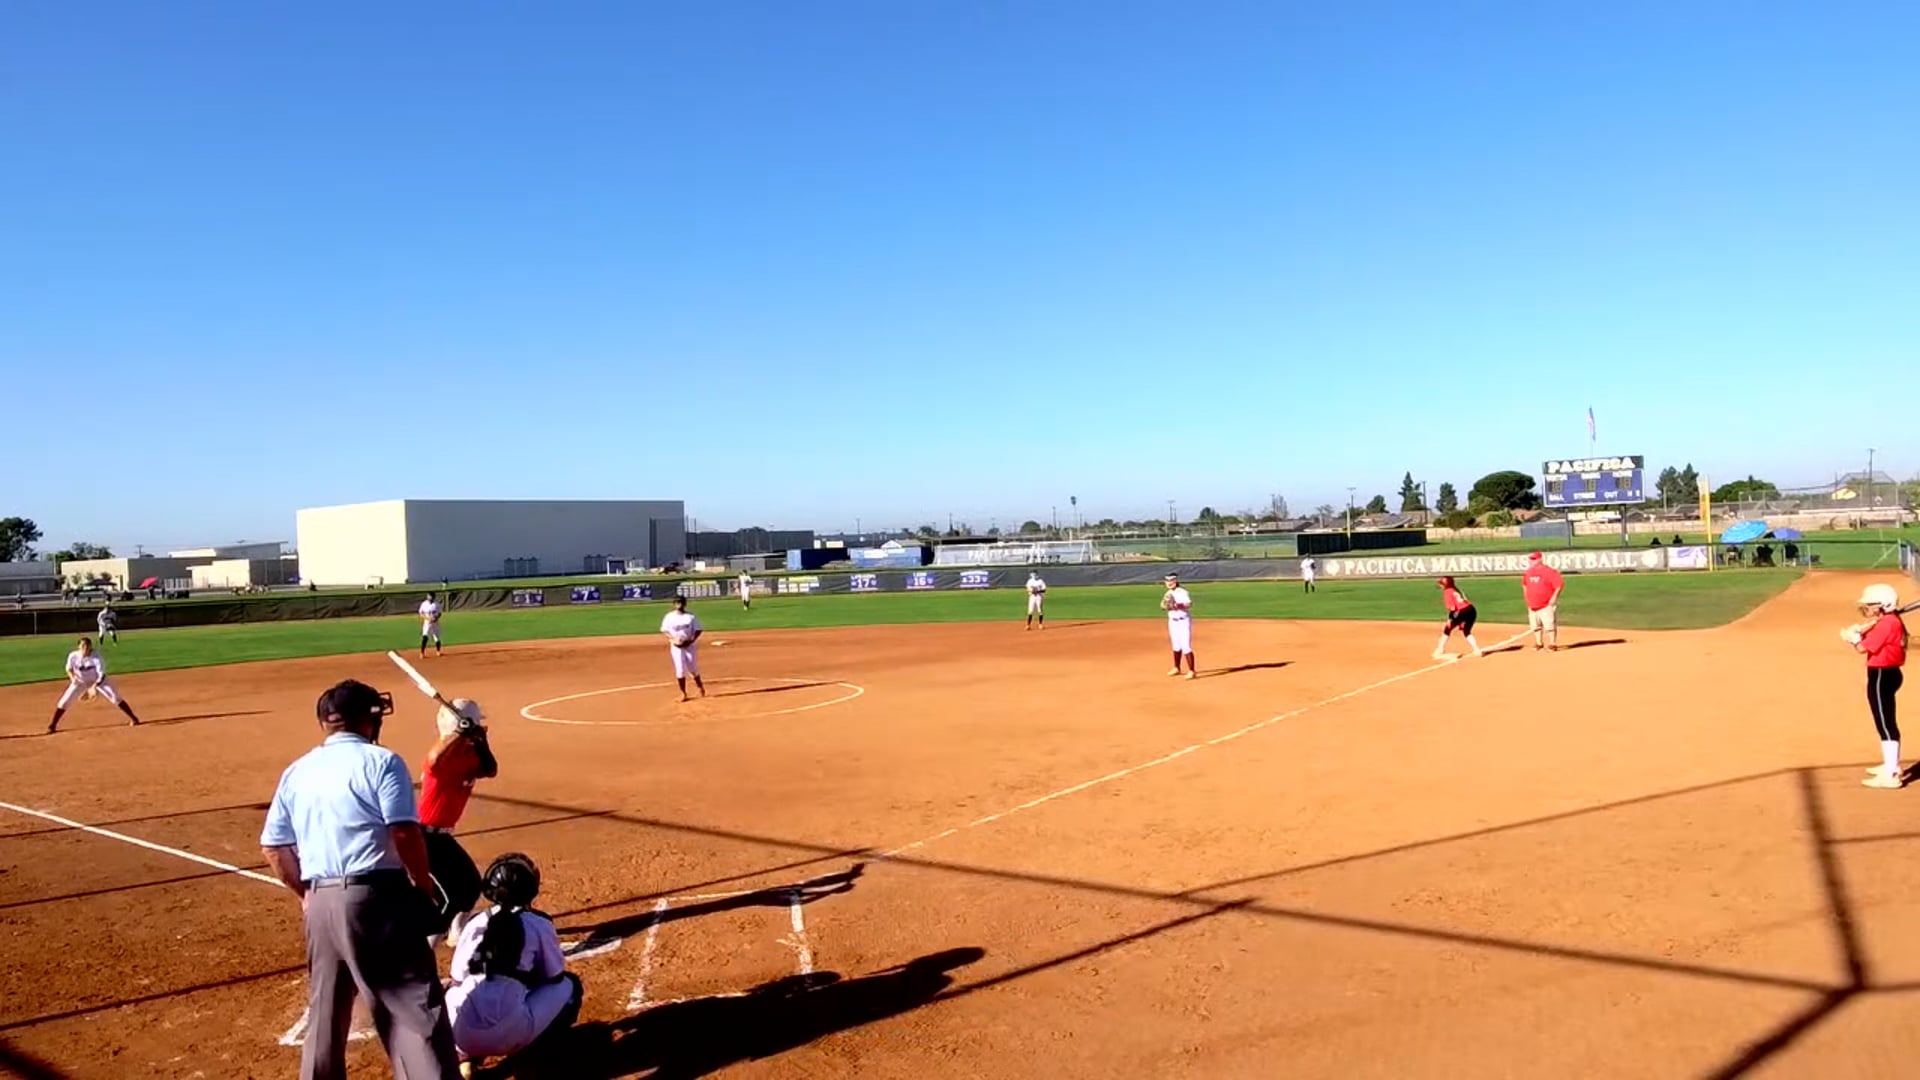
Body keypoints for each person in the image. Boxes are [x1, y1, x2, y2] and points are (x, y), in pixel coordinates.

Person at [259, 679, 461, 1080]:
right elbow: (403, 831)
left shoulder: (297, 770)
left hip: (320, 905)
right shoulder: (381, 762)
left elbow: (274, 847)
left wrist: (307, 896)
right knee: (411, 1008)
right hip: (378, 898)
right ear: (369, 720)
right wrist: (421, 884)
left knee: (325, 1012)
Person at [446, 853, 583, 1077]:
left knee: (454, 991)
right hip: (510, 1034)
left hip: (460, 1034)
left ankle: (464, 1058)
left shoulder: (475, 922)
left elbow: (457, 978)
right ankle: (533, 1057)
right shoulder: (538, 922)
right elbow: (555, 976)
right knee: (571, 985)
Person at [421, 698, 498, 949]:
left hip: (441, 837)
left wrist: (480, 740)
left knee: (471, 886)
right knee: (449, 898)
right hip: (422, 836)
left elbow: (490, 769)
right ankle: (424, 950)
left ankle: (456, 931)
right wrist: (459, 732)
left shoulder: (470, 755)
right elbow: (433, 759)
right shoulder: (442, 760)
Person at [1844, 584, 1909, 789]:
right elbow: (1873, 639)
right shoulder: (1888, 621)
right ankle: (1891, 765)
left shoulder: (1887, 624)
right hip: (1887, 674)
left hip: (1882, 675)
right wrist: (1862, 631)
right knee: (1885, 721)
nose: (1868, 607)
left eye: (1871, 604)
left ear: (1883, 605)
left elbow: (1862, 648)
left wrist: (1853, 639)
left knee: (1885, 723)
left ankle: (1891, 774)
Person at [47, 636, 142, 733]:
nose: (85, 648)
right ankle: (52, 725)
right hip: (80, 682)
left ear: (91, 647)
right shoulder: (73, 656)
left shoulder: (96, 657)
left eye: (87, 646)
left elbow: (101, 675)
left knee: (115, 698)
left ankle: (134, 718)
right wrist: (73, 678)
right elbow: (68, 668)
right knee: (64, 702)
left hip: (99, 681)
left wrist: (93, 687)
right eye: (83, 646)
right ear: (78, 647)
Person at [661, 594, 706, 701]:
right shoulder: (669, 617)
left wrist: (691, 641)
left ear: (684, 604)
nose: (679, 604)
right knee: (680, 669)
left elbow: (698, 630)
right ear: (674, 604)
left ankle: (700, 686)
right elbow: (664, 630)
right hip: (676, 647)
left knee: (693, 668)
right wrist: (673, 639)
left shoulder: (690, 617)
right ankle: (683, 693)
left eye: (681, 602)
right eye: (677, 602)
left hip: (689, 646)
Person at [1521, 552, 1564, 652]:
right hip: (1532, 604)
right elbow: (1524, 584)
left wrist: (1554, 597)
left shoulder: (1549, 572)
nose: (1531, 561)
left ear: (1540, 559)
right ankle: (1539, 643)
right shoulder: (1528, 572)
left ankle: (1552, 643)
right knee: (1535, 626)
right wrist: (1526, 596)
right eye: (1531, 559)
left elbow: (1559, 585)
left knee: (1549, 625)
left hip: (1545, 604)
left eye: (1534, 559)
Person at [1433, 577, 1483, 659]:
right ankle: (1477, 650)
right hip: (1471, 610)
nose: (1441, 586)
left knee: (1447, 629)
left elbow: (1453, 608)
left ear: (1446, 585)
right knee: (1467, 631)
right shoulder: (1456, 590)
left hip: (1462, 611)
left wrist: (1450, 619)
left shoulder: (1447, 592)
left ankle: (1440, 649)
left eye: (1442, 584)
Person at [1162, 573, 1196, 679]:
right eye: (1167, 581)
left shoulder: (1182, 592)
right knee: (1176, 645)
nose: (1169, 583)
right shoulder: (1168, 593)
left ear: (1176, 581)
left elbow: (1189, 604)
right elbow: (1164, 605)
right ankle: (1177, 668)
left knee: (1185, 646)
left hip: (1183, 621)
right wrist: (1165, 606)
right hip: (1172, 622)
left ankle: (1192, 671)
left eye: (1172, 580)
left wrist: (1176, 605)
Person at [419, 593, 444, 658]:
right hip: (427, 623)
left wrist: (436, 618)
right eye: (428, 596)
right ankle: (422, 653)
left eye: (431, 596)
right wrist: (427, 618)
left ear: (434, 597)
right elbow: (421, 613)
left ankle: (438, 651)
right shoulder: (424, 604)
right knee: (425, 637)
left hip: (435, 623)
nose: (429, 598)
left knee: (437, 638)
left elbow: (440, 613)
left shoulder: (436, 604)